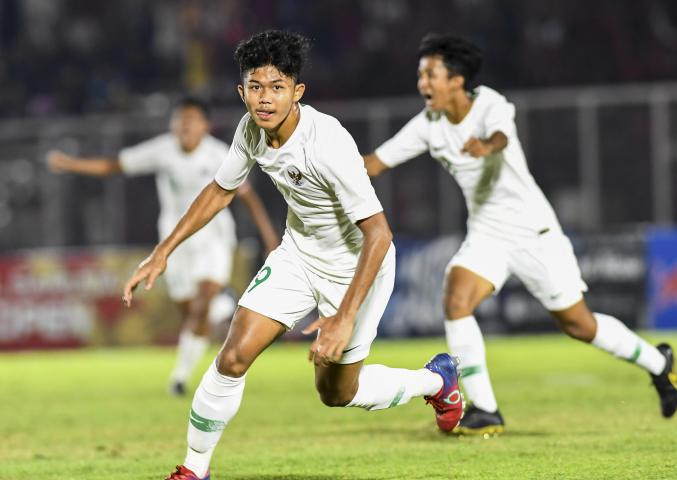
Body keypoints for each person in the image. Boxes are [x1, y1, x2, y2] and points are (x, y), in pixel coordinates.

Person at [122, 30, 463, 480]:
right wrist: (162, 252)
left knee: (337, 393)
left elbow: (378, 234)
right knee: (232, 356)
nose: (265, 99)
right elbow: (220, 191)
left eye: (277, 87)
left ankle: (437, 381)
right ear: (241, 91)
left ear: (297, 92)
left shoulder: (327, 143)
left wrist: (344, 314)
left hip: (358, 266)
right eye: (256, 87)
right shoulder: (250, 129)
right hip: (298, 256)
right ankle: (193, 469)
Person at [363, 33, 677, 436]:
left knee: (579, 325)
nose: (423, 83)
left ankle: (658, 363)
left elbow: (502, 136)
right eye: (421, 74)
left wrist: (486, 145)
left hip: (534, 232)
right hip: (486, 234)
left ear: (457, 80)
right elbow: (375, 162)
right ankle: (485, 409)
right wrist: (331, 164)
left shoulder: (489, 104)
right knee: (456, 298)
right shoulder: (429, 124)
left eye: (431, 74)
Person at [47, 97, 280, 396]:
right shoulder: (162, 150)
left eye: (192, 118)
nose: (185, 124)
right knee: (190, 314)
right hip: (174, 243)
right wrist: (69, 164)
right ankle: (219, 308)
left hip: (214, 239)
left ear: (205, 125)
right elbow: (113, 165)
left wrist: (270, 238)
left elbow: (247, 196)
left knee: (200, 306)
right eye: (180, 118)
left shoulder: (220, 154)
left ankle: (180, 378)